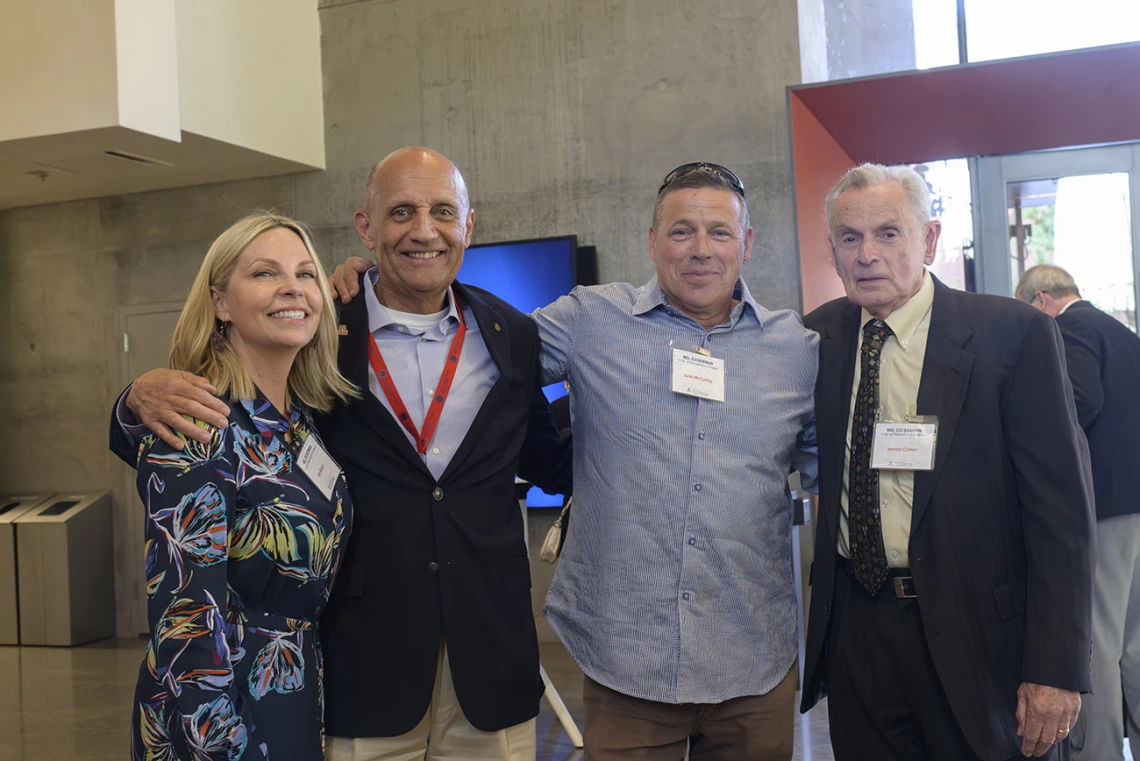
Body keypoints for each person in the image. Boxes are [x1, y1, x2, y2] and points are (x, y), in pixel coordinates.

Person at [332, 161, 819, 760]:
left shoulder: (797, 351)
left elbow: (837, 457)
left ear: (745, 243)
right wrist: (359, 289)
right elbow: (463, 344)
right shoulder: (590, 321)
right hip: (626, 667)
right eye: (680, 230)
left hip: (754, 663)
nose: (700, 250)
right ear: (651, 240)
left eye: (719, 232)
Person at [110, 147, 571, 761]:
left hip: (488, 662)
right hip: (357, 671)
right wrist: (132, 398)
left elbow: (547, 458)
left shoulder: (511, 333)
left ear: (469, 224)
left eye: (442, 211)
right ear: (366, 227)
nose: (424, 230)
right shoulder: (323, 334)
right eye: (402, 211)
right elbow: (183, 443)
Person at [800, 164, 1095, 761]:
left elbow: (1061, 516)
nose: (867, 255)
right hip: (859, 630)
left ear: (929, 240)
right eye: (849, 238)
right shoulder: (818, 337)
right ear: (831, 250)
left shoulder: (1012, 335)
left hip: (977, 634)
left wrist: (1056, 667)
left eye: (888, 233)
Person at [123, 211, 358, 760]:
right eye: (264, 274)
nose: (292, 289)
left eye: (305, 274)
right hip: (216, 716)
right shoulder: (196, 426)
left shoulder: (299, 425)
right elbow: (185, 622)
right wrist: (223, 745)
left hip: (292, 693)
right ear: (220, 302)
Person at [1017, 264, 1140, 761]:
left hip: (1107, 508)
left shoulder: (1070, 328)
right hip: (1136, 503)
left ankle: (1103, 754)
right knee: (1134, 645)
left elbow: (1080, 399)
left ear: (1042, 299)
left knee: (1099, 647)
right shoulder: (1122, 332)